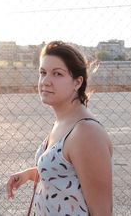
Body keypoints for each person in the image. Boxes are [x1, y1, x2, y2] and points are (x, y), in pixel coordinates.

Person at [7, 41, 113, 215]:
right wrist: (29, 174)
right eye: (43, 72)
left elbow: (102, 211)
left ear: (77, 82)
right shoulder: (63, 122)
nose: (45, 81)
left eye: (57, 74)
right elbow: (65, 174)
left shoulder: (86, 132)